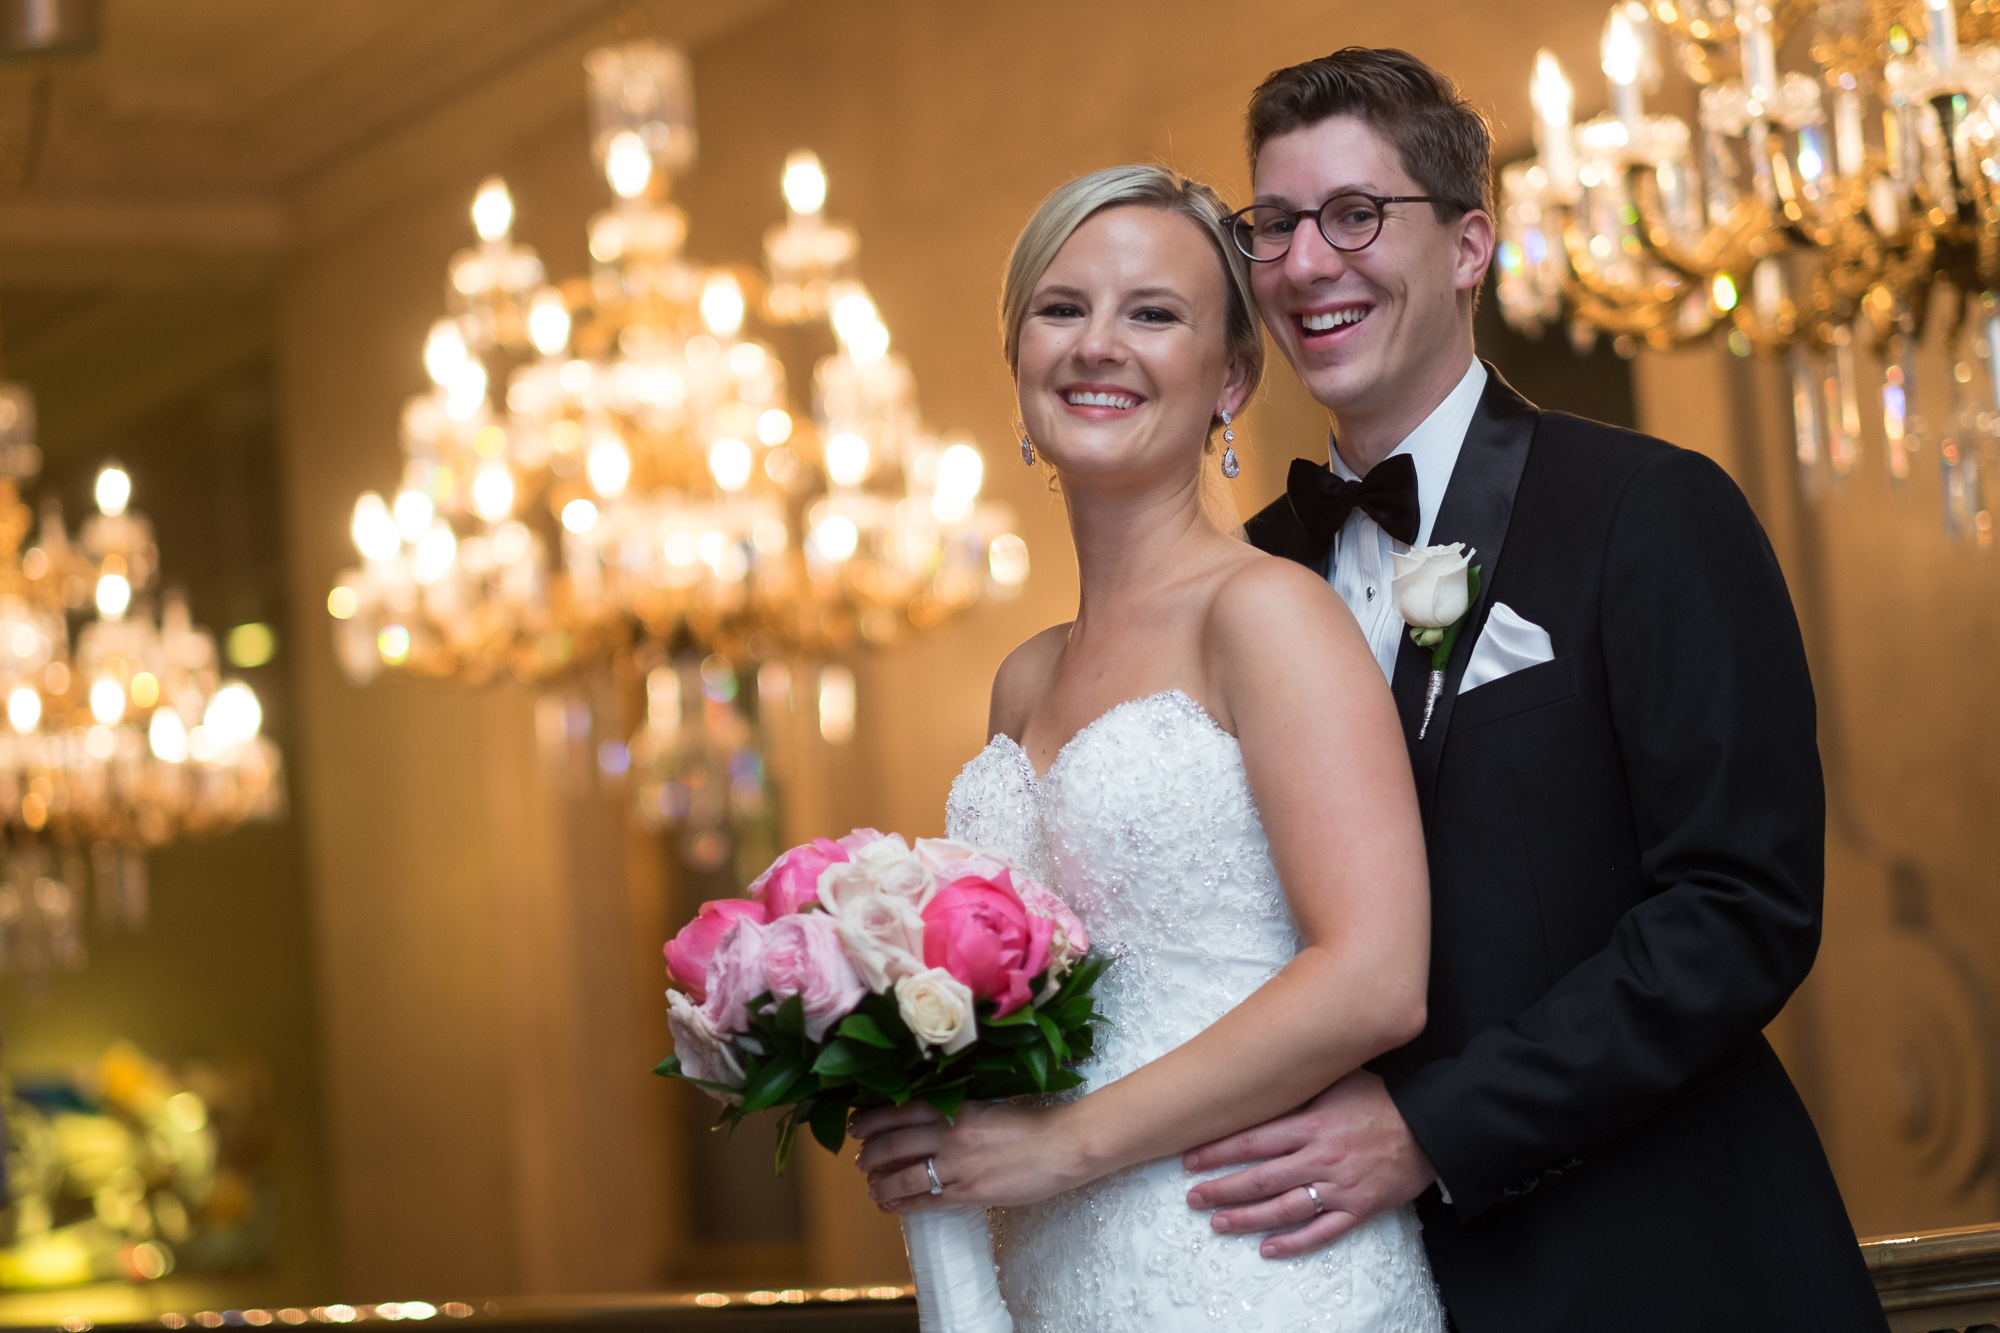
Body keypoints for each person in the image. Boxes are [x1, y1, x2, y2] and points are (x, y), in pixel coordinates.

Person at [1178, 47, 1889, 1332]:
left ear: (1467, 247)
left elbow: (1739, 907)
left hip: (1654, 1257)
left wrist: (1433, 1128)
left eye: (1353, 215)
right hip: (1348, 1282)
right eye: (1271, 225)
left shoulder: (1648, 510)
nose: (1300, 264)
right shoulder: (1248, 581)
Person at [849, 164, 1447, 1329]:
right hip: (1051, 1273)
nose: (1096, 345)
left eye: (1152, 313)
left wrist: (1060, 1147)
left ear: (1228, 377)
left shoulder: (1266, 615)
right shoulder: (1022, 675)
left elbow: (1374, 978)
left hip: (1254, 1263)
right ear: (1018, 356)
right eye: (1061, 308)